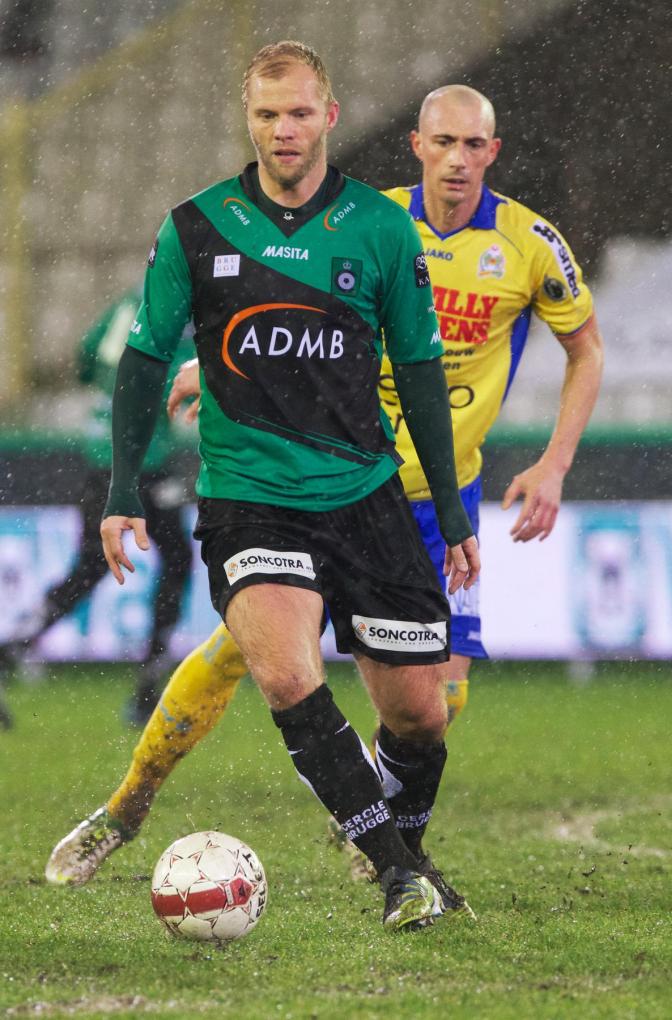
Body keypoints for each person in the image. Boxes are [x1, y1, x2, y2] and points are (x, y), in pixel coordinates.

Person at [46, 80, 603, 898]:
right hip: (323, 483)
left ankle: (379, 840)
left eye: (473, 145)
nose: (456, 159)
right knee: (255, 654)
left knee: (435, 705)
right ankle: (129, 808)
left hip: (433, 494)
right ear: (415, 146)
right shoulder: (366, 219)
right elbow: (281, 307)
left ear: (494, 151)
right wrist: (213, 361)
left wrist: (554, 464)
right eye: (441, 142)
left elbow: (584, 347)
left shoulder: (528, 243)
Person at [0, 288, 195, 726]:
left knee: (90, 567)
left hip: (99, 457)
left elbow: (87, 359)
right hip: (141, 461)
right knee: (176, 559)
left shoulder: (128, 303)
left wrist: (113, 392)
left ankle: (12, 648)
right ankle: (151, 681)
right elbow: (177, 388)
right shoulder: (181, 316)